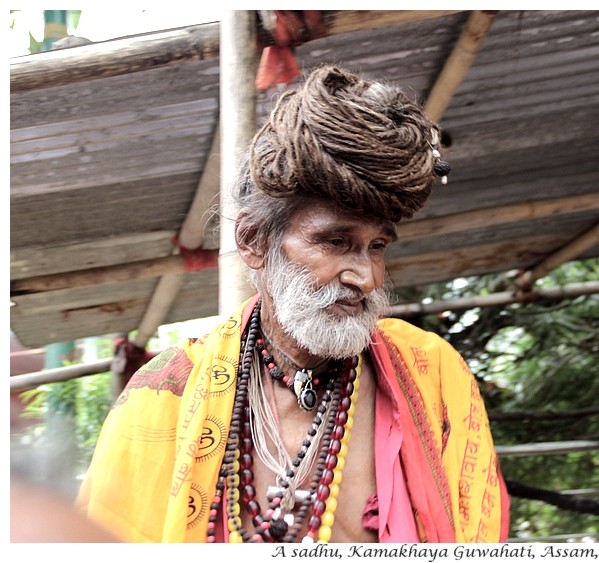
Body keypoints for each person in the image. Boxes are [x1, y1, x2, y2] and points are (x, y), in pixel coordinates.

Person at [76, 64, 510, 543]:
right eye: (335, 242)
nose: (364, 277)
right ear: (253, 240)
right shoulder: (163, 394)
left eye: (377, 246)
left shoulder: (434, 375)